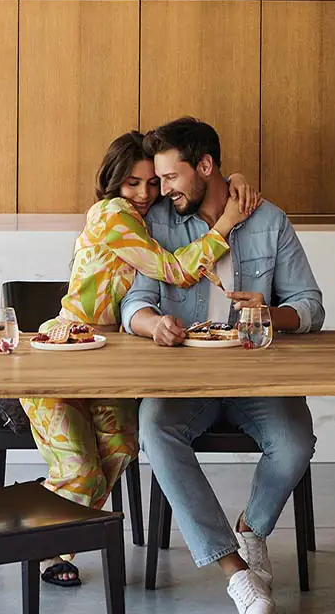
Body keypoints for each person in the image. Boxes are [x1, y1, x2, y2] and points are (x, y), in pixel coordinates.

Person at [20, 130, 260, 586]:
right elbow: (176, 271)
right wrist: (226, 221)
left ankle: (47, 523)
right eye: (133, 183)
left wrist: (236, 179)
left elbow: (195, 187)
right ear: (114, 182)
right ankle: (41, 541)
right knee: (80, 470)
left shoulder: (147, 217)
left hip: (109, 356)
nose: (146, 194)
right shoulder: (113, 214)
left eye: (153, 183)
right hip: (65, 348)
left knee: (124, 445)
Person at [120, 117, 325, 614]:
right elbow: (134, 305)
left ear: (205, 167)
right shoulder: (159, 225)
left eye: (169, 177)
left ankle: (251, 529)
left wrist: (270, 313)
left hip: (257, 377)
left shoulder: (269, 220)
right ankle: (235, 570)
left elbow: (311, 306)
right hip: (186, 379)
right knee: (154, 429)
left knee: (297, 440)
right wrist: (154, 325)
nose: (160, 190)